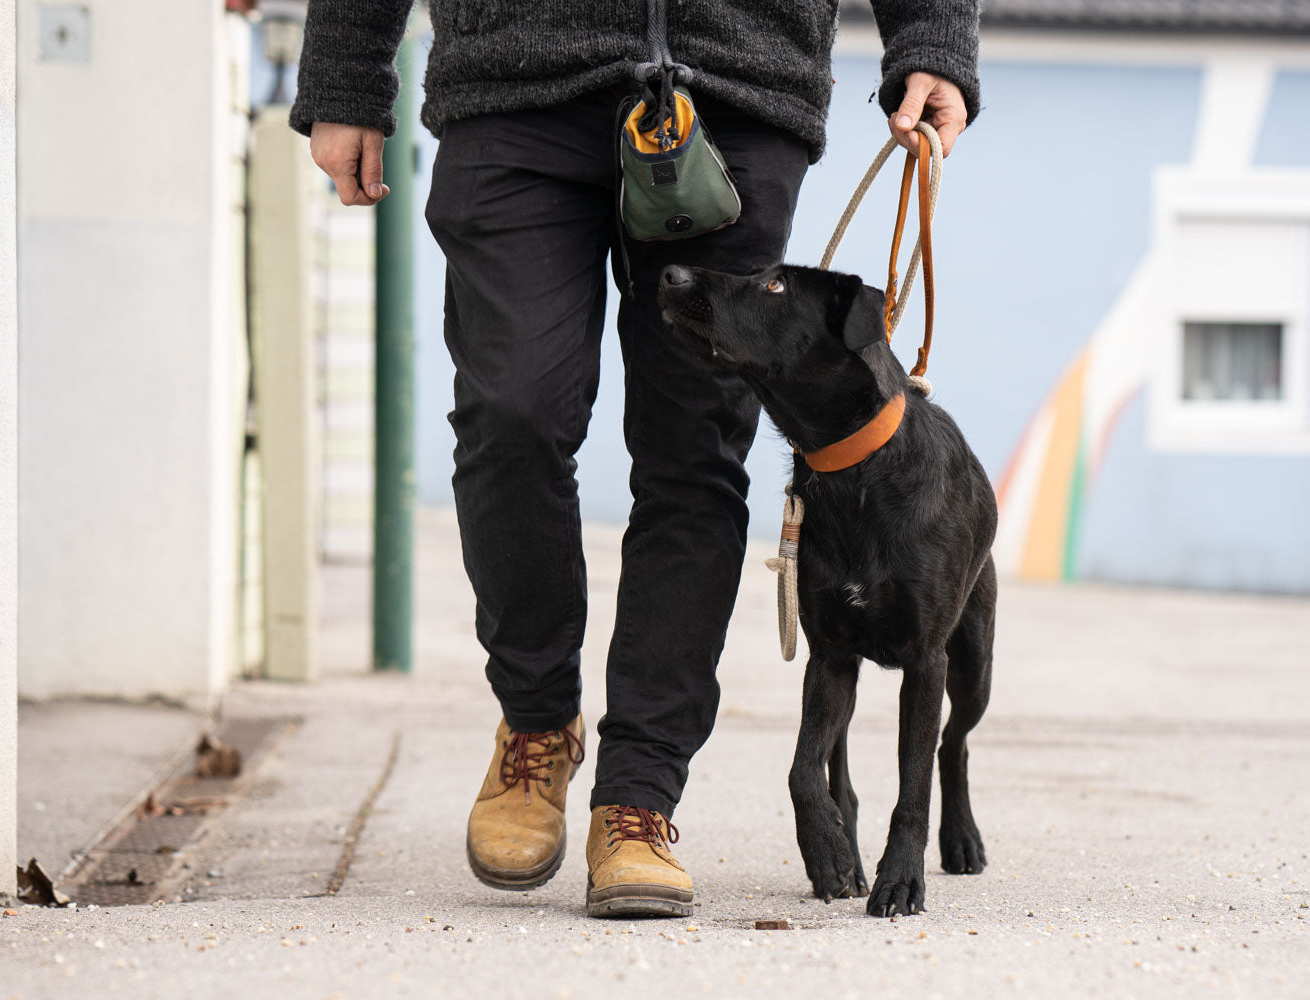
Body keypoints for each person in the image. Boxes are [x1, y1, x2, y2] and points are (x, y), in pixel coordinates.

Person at [290, 0, 979, 918]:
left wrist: (931, 37)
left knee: (694, 454)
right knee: (511, 412)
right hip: (513, 81)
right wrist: (347, 66)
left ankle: (639, 799)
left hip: (739, 85)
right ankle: (537, 724)